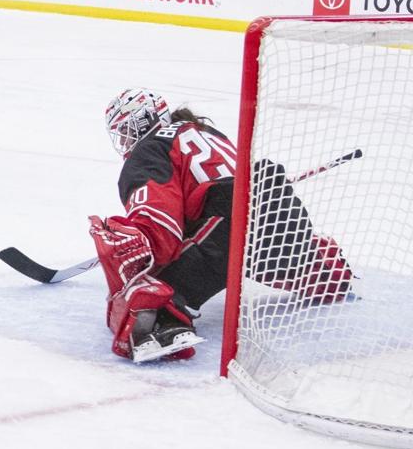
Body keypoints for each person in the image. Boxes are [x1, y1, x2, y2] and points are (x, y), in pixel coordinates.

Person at [89, 89, 354, 363]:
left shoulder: (150, 149)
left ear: (147, 120)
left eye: (127, 130)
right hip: (286, 219)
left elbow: (160, 222)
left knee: (151, 290)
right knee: (258, 251)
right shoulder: (206, 131)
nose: (125, 140)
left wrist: (142, 251)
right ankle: (325, 266)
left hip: (231, 228)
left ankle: (163, 329)